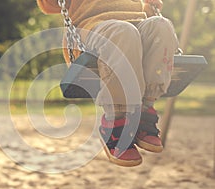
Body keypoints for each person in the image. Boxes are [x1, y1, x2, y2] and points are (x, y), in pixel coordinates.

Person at [37, 0, 179, 167]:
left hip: (135, 24)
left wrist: (150, 5)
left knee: (161, 25)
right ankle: (116, 121)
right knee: (123, 32)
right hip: (93, 27)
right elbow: (48, 6)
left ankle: (144, 108)